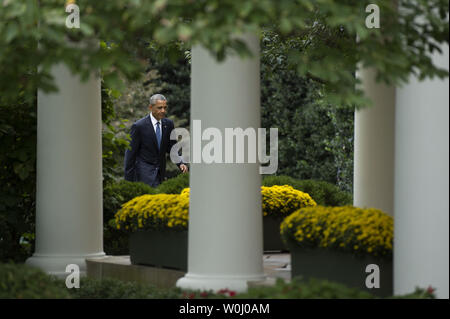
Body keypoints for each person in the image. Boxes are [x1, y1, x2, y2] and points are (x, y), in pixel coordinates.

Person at [124, 94, 188, 187]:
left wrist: (181, 163)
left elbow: (172, 148)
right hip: (143, 177)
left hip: (160, 175)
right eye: (159, 108)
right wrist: (128, 183)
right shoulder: (139, 126)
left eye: (165, 108)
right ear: (151, 107)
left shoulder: (168, 124)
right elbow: (130, 155)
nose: (163, 111)